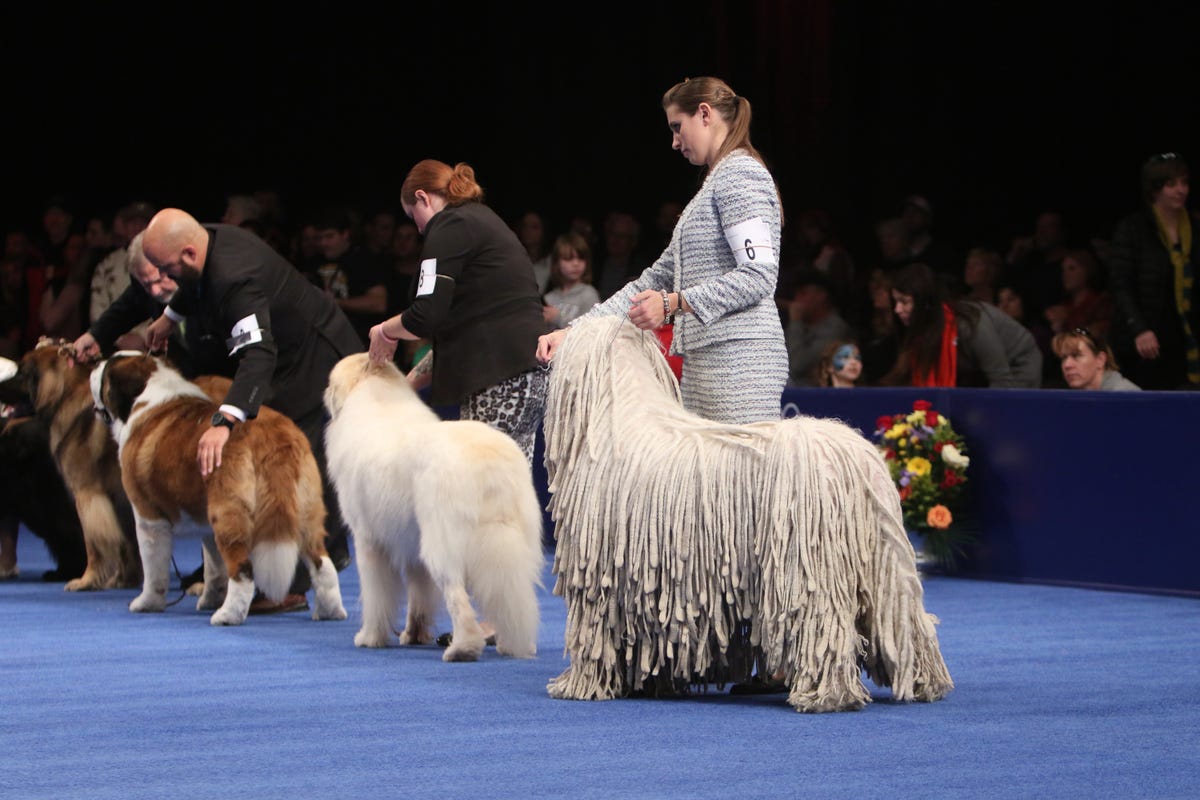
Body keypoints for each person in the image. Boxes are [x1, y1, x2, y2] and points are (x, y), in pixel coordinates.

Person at [537, 76, 787, 426]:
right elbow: (651, 281)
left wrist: (672, 304)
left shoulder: (740, 173)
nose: (673, 142)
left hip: (740, 361)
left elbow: (758, 276)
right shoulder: (714, 183)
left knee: (739, 479)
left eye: (676, 127)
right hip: (707, 361)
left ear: (704, 114)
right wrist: (574, 332)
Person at [137, 209, 362, 590]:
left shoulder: (234, 279)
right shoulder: (206, 240)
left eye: (168, 271)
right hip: (283, 360)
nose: (167, 279)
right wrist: (170, 316)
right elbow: (193, 282)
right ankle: (265, 565)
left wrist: (223, 422)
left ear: (188, 254)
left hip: (315, 361)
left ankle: (289, 585)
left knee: (293, 463)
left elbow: (257, 353)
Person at [366, 160, 548, 465]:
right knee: (498, 493)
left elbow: (424, 316)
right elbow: (461, 329)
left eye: (414, 216)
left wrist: (384, 330)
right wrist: (404, 385)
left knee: (484, 490)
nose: (419, 228)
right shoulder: (475, 220)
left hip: (502, 377)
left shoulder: (450, 224)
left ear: (423, 197)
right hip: (518, 374)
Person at [1108, 152, 1199, 390]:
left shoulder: (1194, 227)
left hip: (1185, 337)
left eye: (1184, 182)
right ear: (1154, 189)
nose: (1181, 190)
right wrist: (1139, 329)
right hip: (1144, 340)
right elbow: (1120, 285)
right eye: (1171, 184)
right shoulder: (1134, 229)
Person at [885, 262, 1042, 388]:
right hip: (980, 373)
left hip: (1018, 364)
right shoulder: (921, 329)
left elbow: (1001, 380)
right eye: (896, 301)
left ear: (924, 302)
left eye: (904, 302)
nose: (897, 310)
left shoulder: (970, 324)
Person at [784, 269, 852, 387]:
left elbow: (796, 365)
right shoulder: (802, 325)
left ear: (821, 296)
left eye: (803, 293)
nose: (796, 299)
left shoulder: (835, 328)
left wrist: (796, 322)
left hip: (818, 398)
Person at [1052, 327, 1141, 391]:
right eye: (1063, 358)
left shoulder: (1125, 397)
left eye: (1076, 356)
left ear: (1100, 360)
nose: (1067, 365)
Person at [542, 232, 600, 329]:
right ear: (557, 263)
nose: (576, 264)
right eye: (568, 259)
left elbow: (591, 331)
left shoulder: (588, 294)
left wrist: (558, 318)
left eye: (581, 258)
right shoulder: (549, 298)